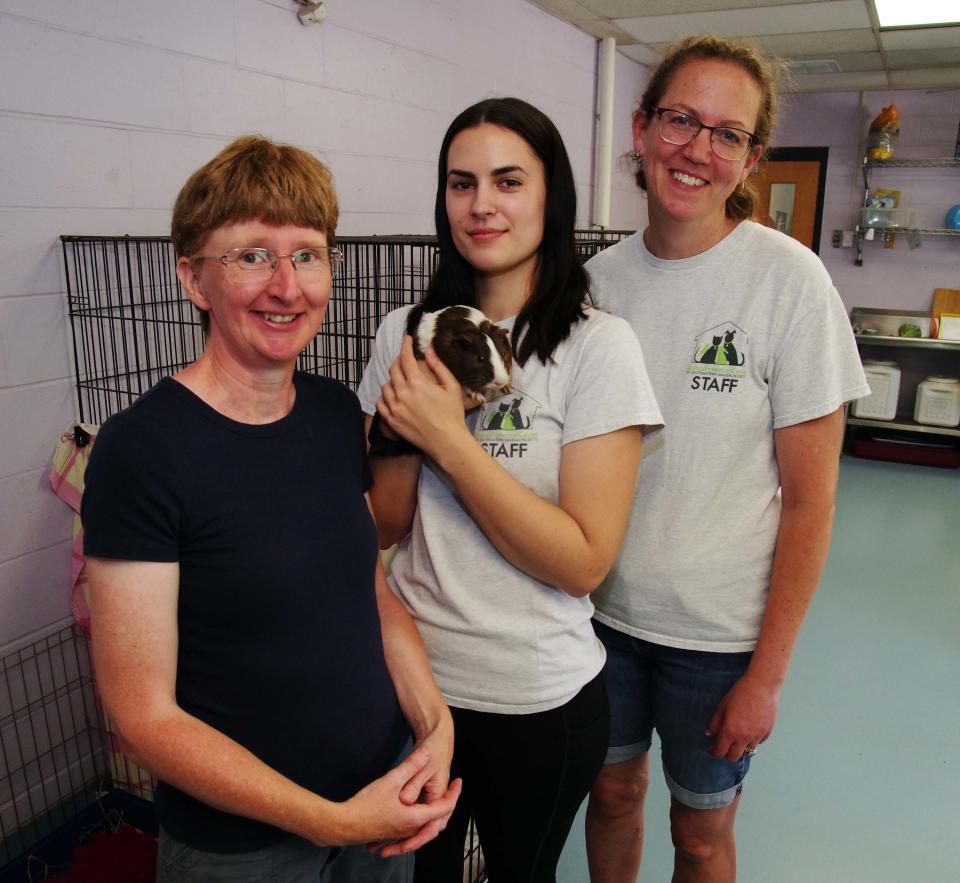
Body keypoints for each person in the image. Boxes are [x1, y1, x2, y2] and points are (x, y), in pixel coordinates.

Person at [81, 136, 461, 883]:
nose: (287, 286)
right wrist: (332, 819)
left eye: (309, 254)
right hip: (245, 846)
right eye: (252, 255)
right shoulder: (141, 451)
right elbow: (144, 714)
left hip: (382, 801)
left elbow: (371, 592)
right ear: (194, 278)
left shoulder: (329, 410)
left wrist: (433, 721)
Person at [583, 36, 870, 882]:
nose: (697, 150)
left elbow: (811, 501)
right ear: (641, 129)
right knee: (610, 795)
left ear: (751, 159)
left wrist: (766, 676)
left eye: (727, 134)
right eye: (680, 119)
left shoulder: (790, 283)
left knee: (701, 836)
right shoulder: (596, 284)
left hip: (717, 641)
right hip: (600, 619)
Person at [357, 98, 663, 882]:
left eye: (508, 180)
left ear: (550, 197)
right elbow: (386, 523)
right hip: (417, 687)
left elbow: (583, 562)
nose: (482, 204)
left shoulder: (597, 346)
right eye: (462, 184)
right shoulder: (403, 333)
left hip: (540, 699)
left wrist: (451, 441)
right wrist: (403, 428)